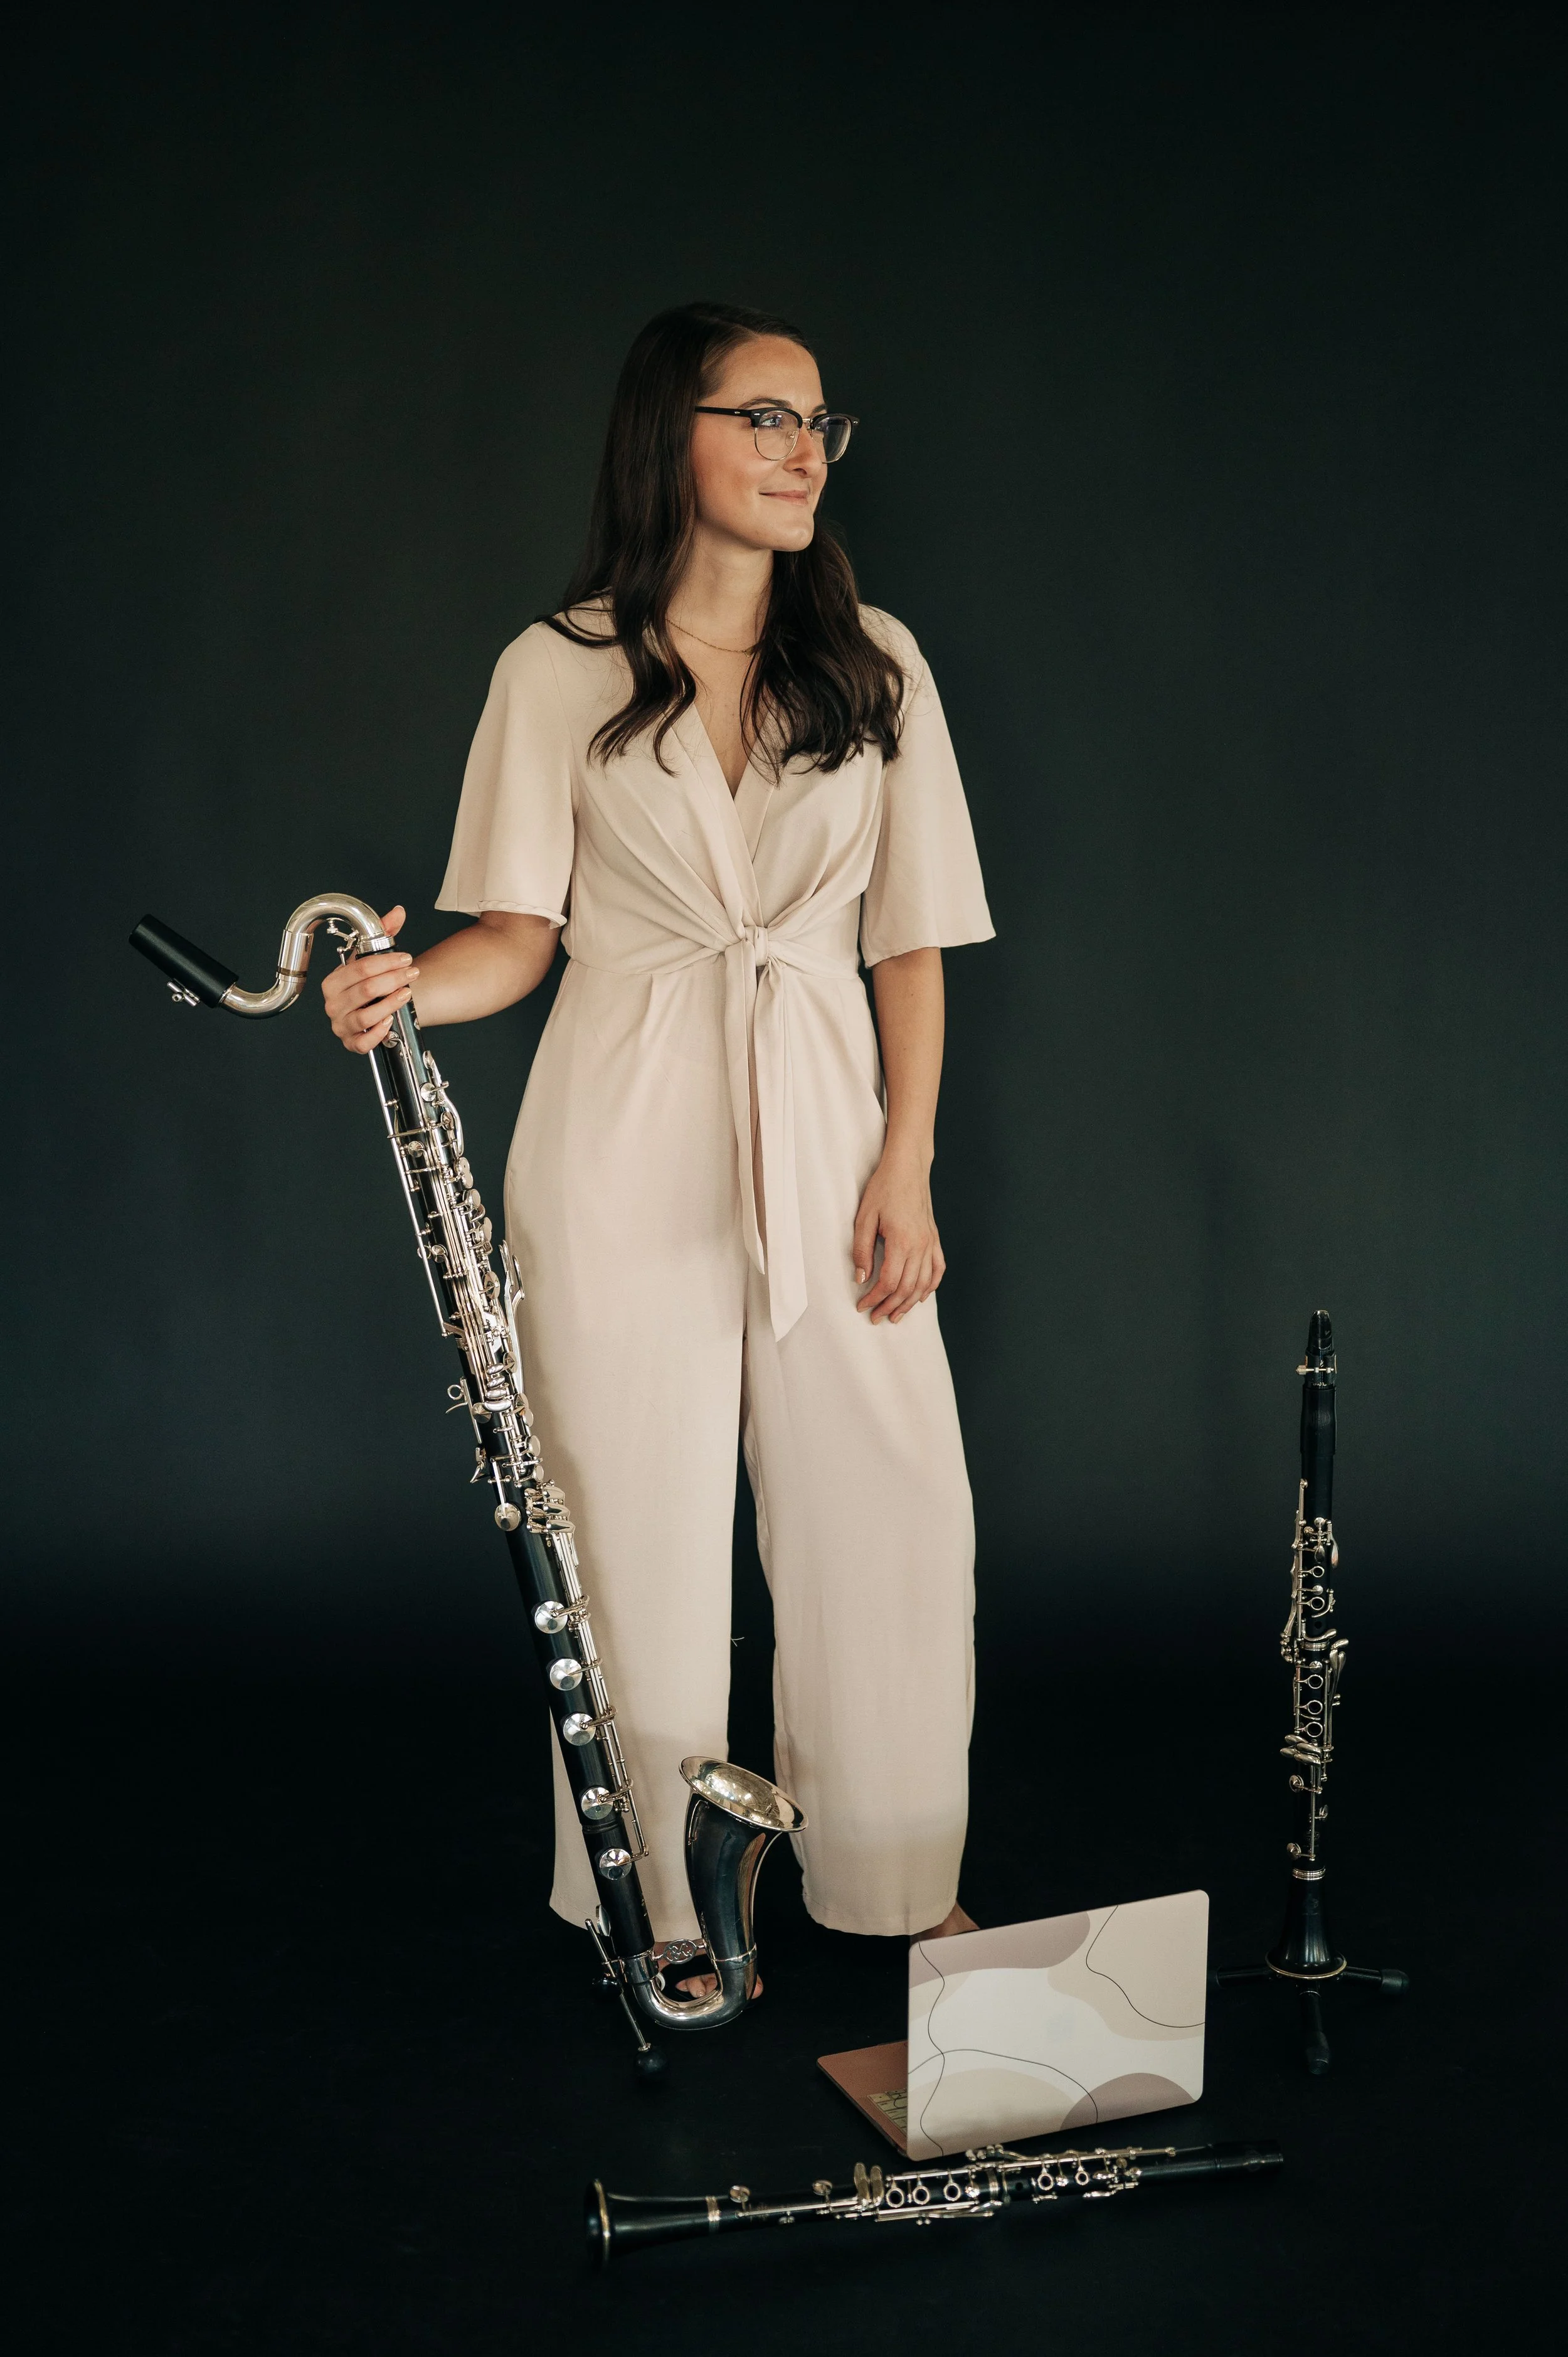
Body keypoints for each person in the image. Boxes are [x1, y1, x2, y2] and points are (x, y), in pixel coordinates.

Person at [322, 302, 993, 1993]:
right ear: (665, 439)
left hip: (834, 1129)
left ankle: (895, 1880)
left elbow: (907, 939)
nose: (798, 450)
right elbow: (516, 937)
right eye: (760, 416)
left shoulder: (878, 659)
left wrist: (904, 1164)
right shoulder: (554, 669)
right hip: (619, 1135)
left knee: (891, 1507)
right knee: (633, 1524)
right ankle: (666, 1916)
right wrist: (406, 989)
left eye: (817, 424)